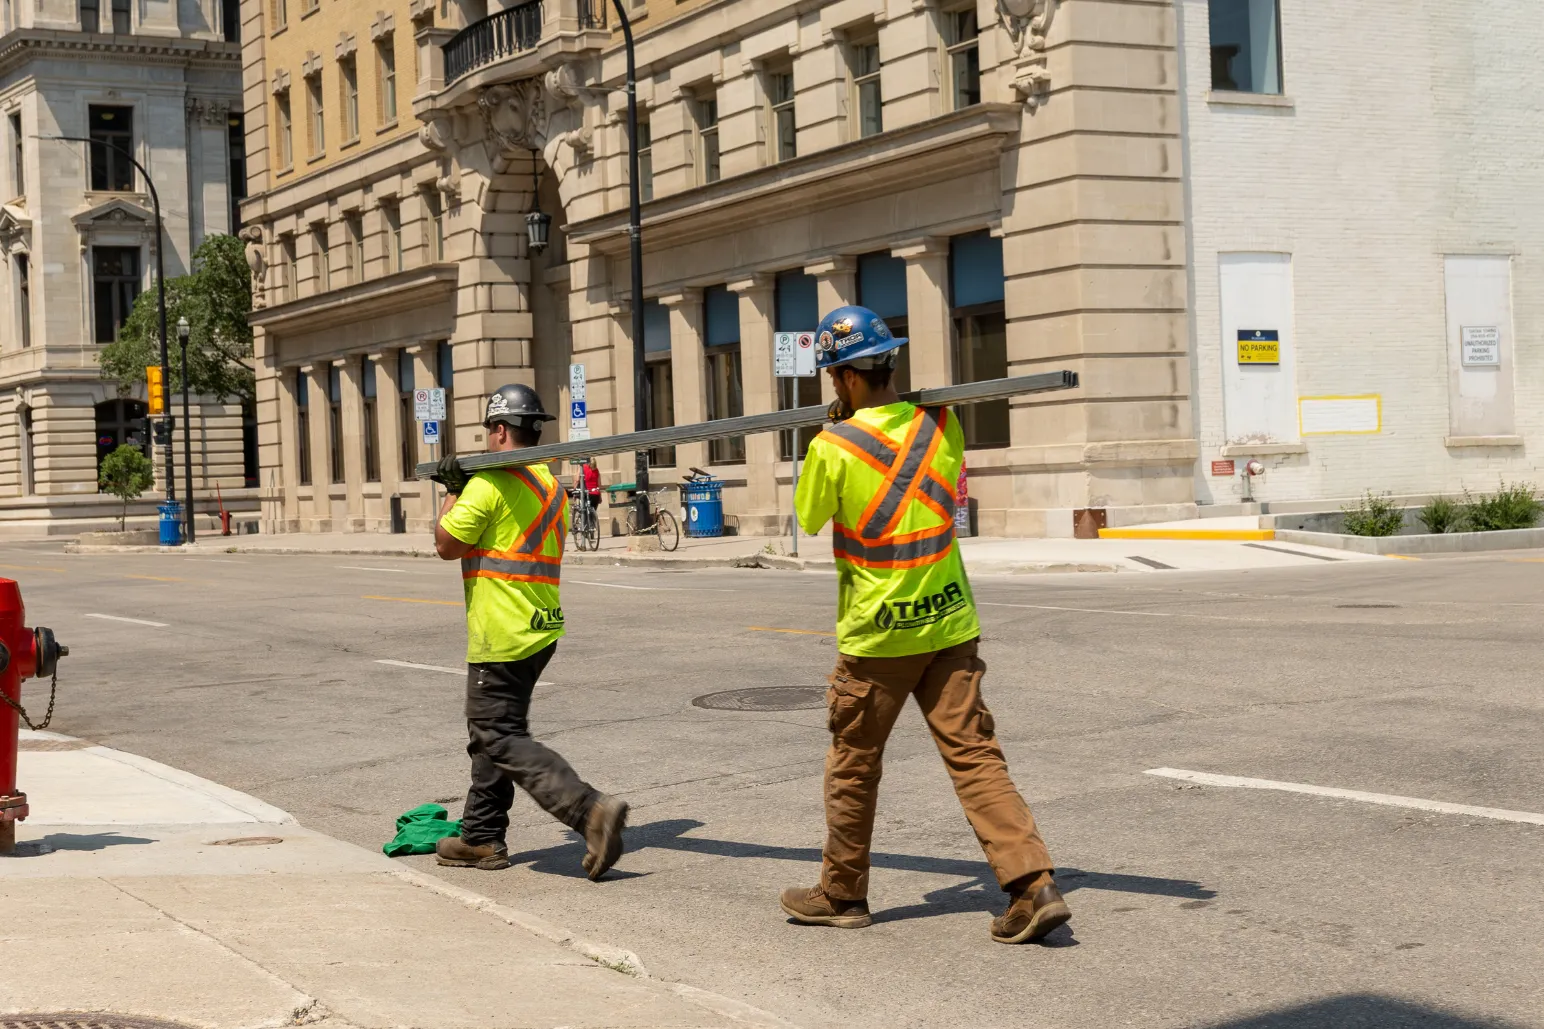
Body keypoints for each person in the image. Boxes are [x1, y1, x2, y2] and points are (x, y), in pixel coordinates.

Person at [780, 306, 1070, 944]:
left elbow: (808, 518)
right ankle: (1033, 886)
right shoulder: (942, 425)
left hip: (878, 637)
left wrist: (833, 434)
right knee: (975, 757)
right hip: (948, 625)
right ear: (889, 363)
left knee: (854, 763)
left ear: (842, 380)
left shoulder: (832, 446)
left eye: (832, 378)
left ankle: (842, 893)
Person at [430, 383, 628, 878]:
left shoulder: (488, 484)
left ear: (499, 430)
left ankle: (588, 810)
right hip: (540, 626)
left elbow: (447, 545)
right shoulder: (550, 484)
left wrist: (453, 492)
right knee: (493, 733)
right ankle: (480, 837)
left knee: (497, 735)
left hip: (502, 630)